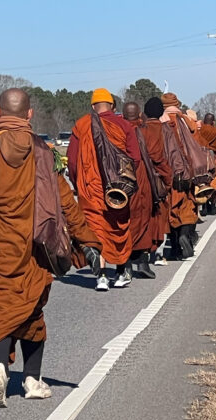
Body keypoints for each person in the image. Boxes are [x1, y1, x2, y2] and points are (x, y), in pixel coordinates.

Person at [0, 88, 102, 408]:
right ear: (30, 115)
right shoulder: (43, 152)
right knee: (31, 312)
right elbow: (65, 204)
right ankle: (32, 381)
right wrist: (87, 240)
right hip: (34, 248)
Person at [68, 88, 141, 290]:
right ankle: (121, 272)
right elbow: (135, 158)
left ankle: (100, 277)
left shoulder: (82, 125)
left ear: (92, 107)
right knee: (118, 227)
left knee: (95, 229)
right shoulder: (123, 125)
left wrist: (77, 184)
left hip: (90, 188)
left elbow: (72, 161)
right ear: (113, 106)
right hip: (117, 189)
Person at [160, 92, 197, 259]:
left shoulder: (160, 121)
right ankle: (185, 234)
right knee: (187, 206)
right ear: (176, 103)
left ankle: (174, 248)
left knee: (171, 210)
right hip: (186, 171)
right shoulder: (185, 120)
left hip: (168, 172)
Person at [122, 102, 157, 278]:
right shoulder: (146, 131)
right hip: (141, 179)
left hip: (119, 182)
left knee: (124, 221)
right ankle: (142, 261)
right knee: (144, 218)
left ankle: (125, 263)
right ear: (139, 114)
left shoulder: (116, 131)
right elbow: (157, 156)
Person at [141, 97, 173, 266]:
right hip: (160, 177)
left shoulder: (140, 130)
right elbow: (169, 155)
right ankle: (159, 254)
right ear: (162, 112)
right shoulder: (165, 130)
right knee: (161, 215)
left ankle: (144, 251)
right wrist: (168, 178)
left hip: (142, 179)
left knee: (145, 216)